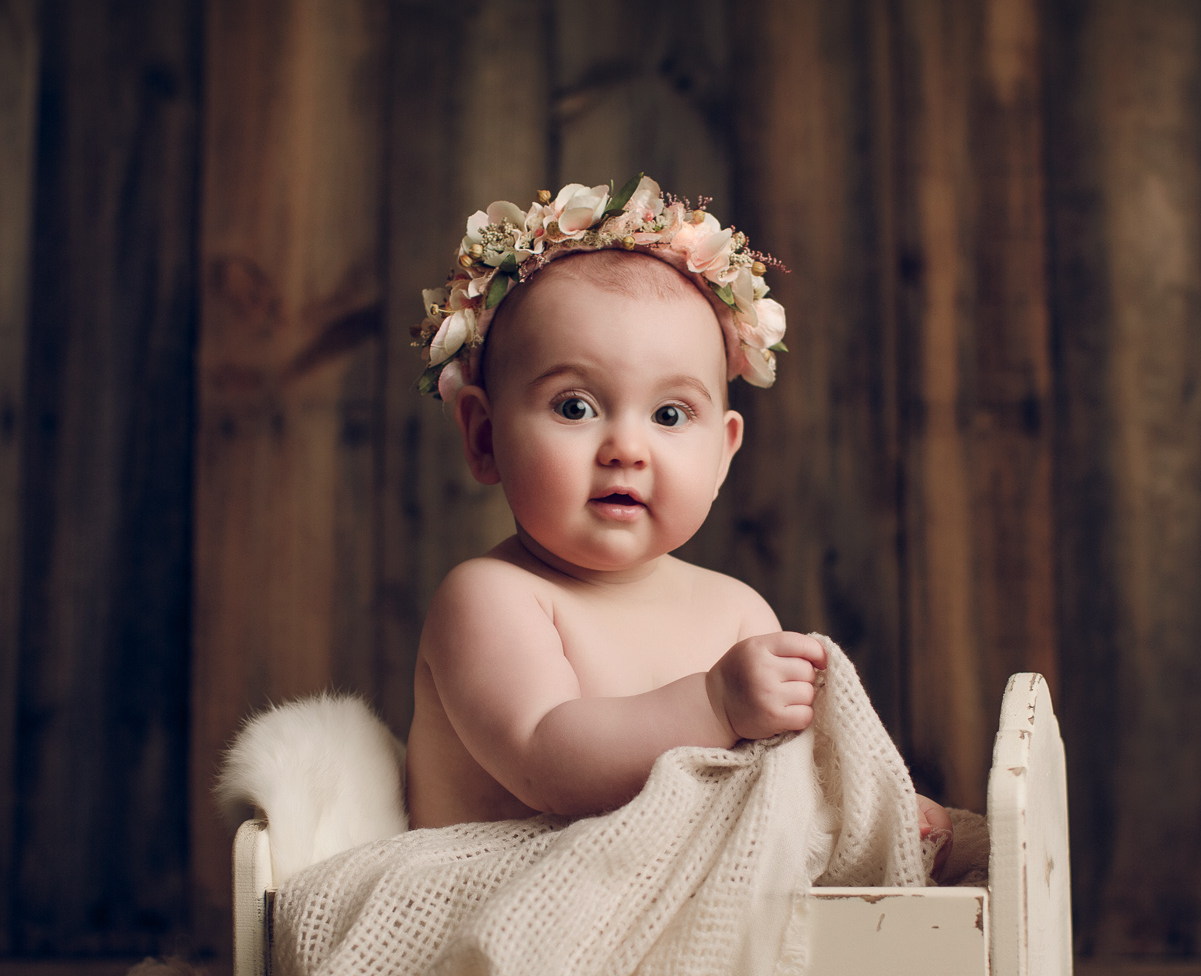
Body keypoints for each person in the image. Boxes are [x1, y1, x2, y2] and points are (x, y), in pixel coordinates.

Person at [403, 175, 956, 867]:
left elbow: (775, 781)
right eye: (575, 406)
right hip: (499, 898)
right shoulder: (490, 597)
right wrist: (715, 702)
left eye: (669, 415)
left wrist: (854, 805)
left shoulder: (734, 611)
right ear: (484, 436)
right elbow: (545, 760)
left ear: (723, 454)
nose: (626, 449)